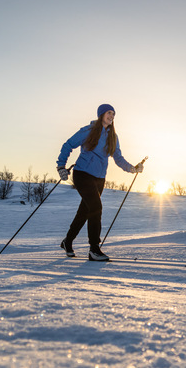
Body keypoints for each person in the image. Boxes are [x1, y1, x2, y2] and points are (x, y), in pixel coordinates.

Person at [56, 104, 143, 261]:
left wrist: (132, 169)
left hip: (99, 179)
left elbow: (118, 158)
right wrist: (61, 166)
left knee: (84, 212)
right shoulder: (88, 131)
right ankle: (94, 250)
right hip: (82, 174)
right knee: (96, 208)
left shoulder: (113, 137)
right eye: (109, 113)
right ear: (101, 114)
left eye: (114, 114)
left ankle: (67, 242)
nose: (112, 116)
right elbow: (68, 144)